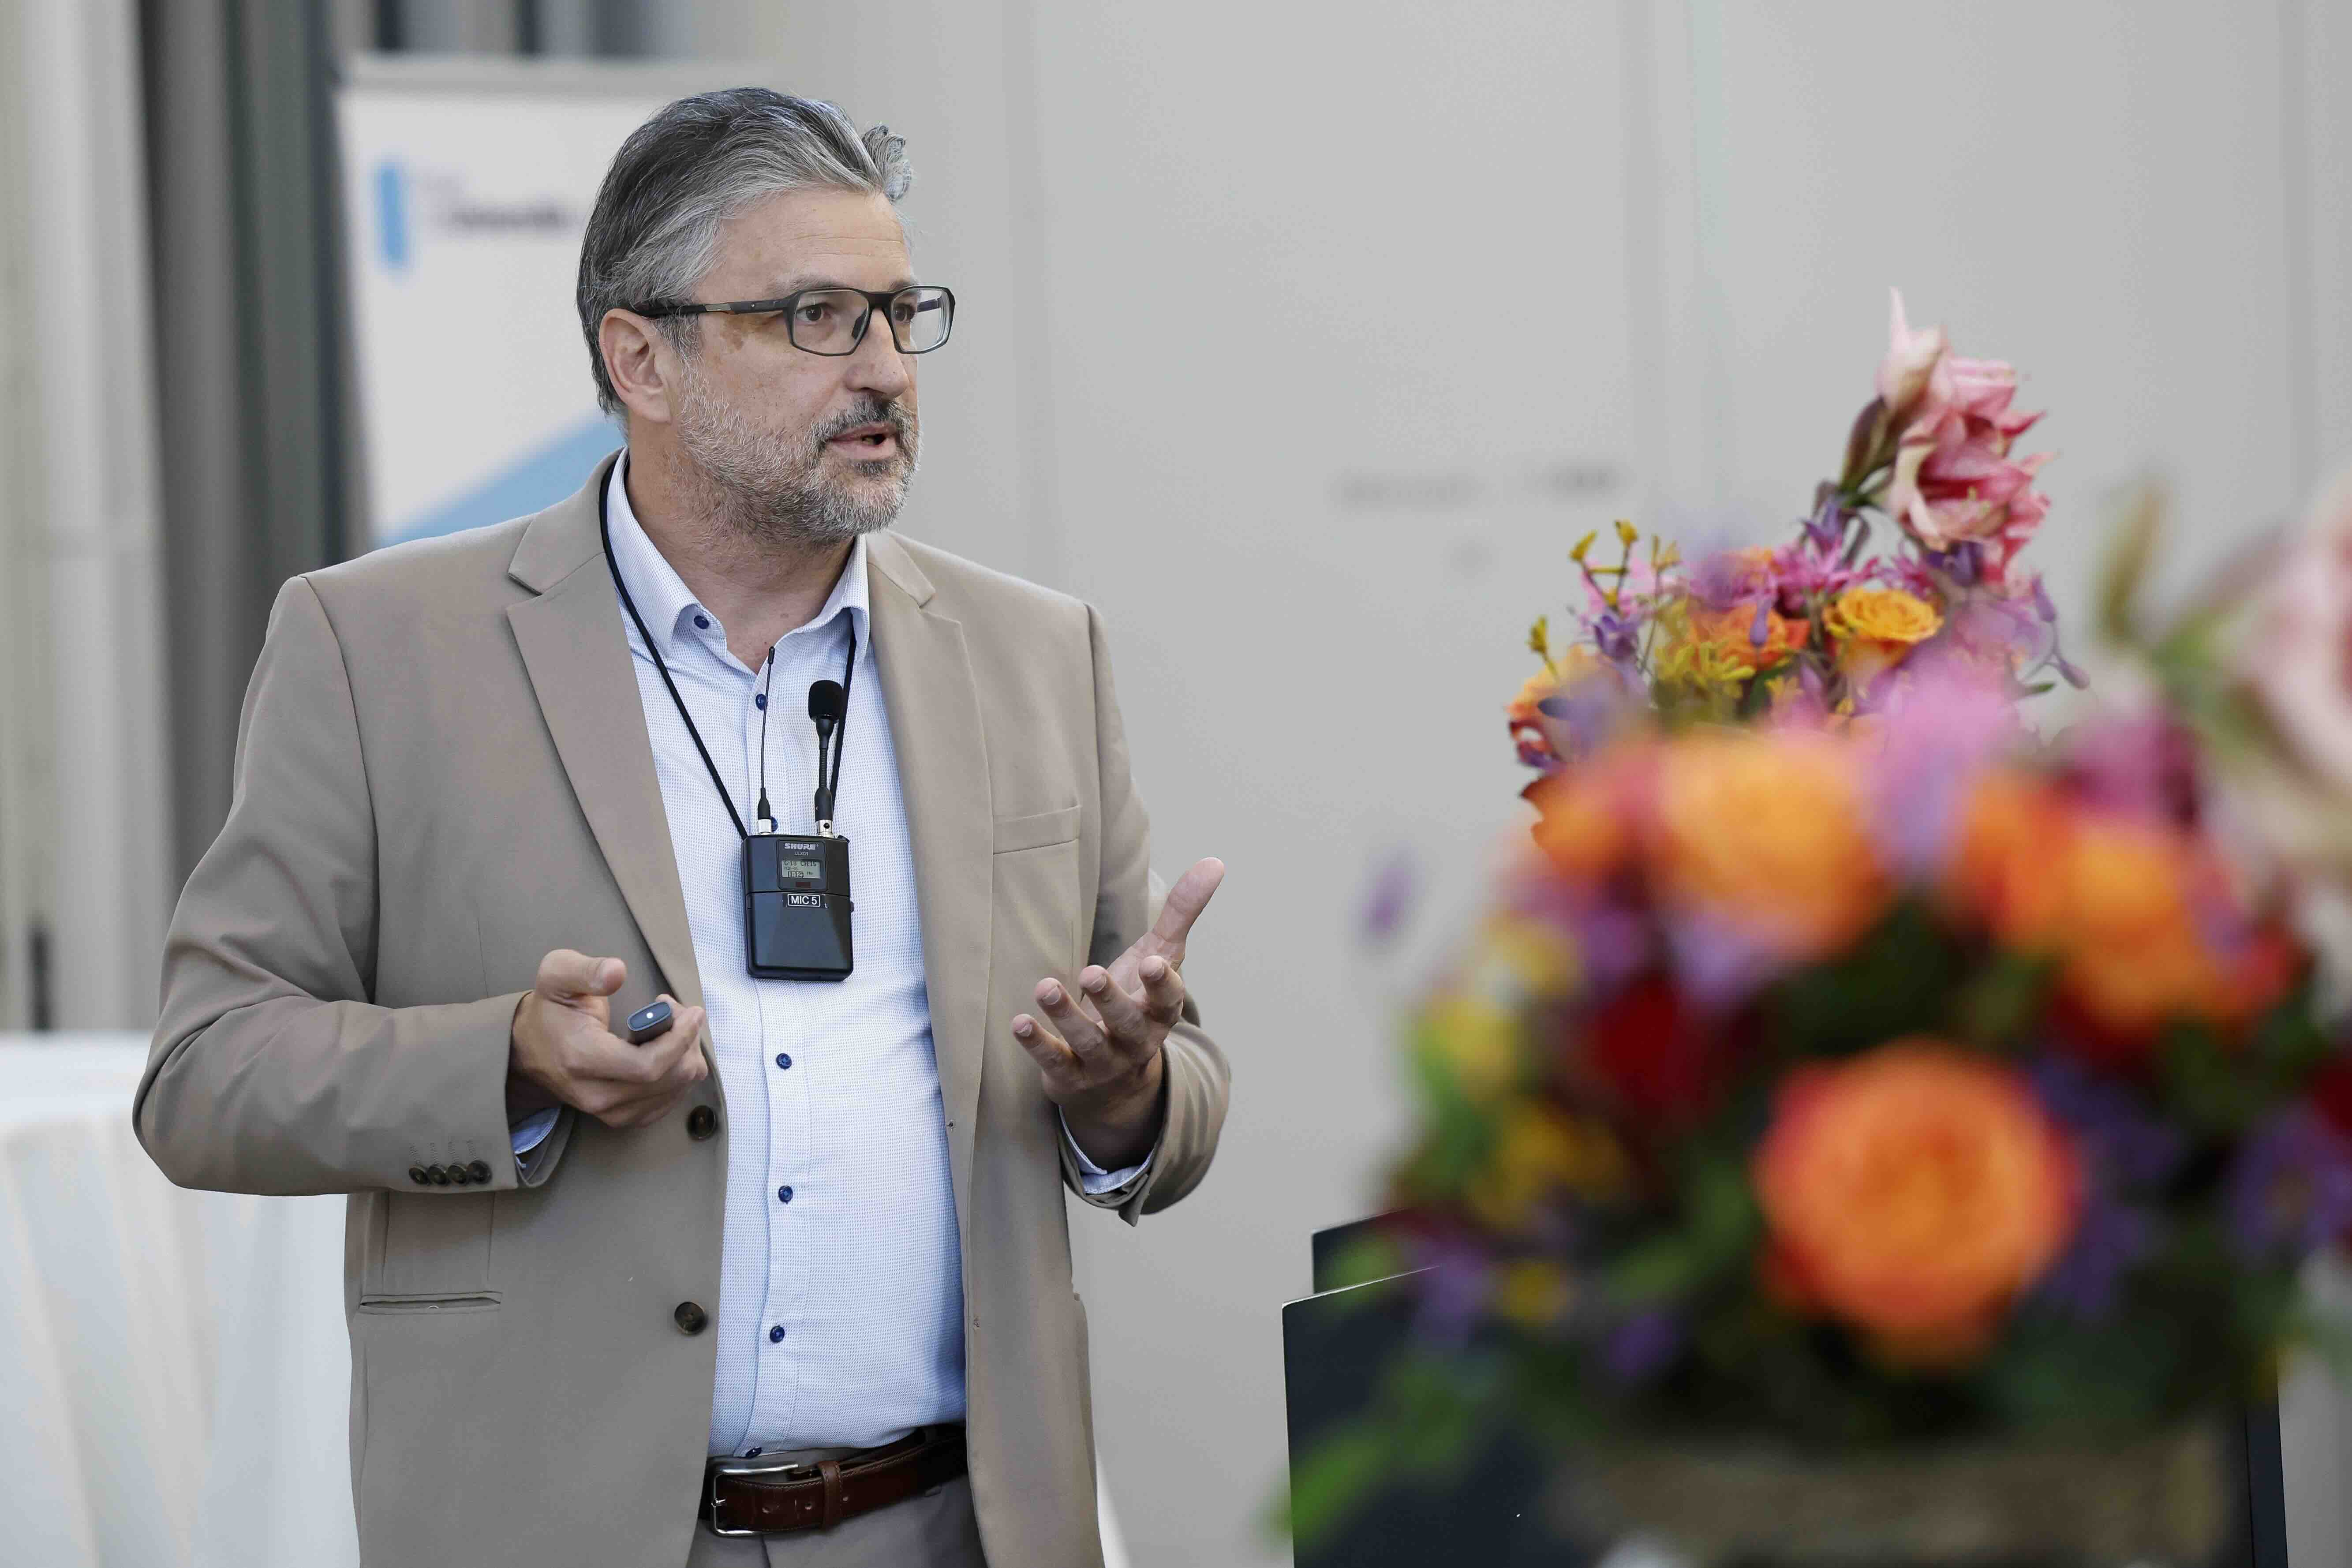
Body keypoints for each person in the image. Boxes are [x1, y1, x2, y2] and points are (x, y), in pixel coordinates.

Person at [135, 87, 1228, 1568]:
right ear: (638, 356)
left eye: (905, 316)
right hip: (560, 1530)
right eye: (819, 317)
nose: (887, 372)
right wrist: (503, 1058)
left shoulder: (1038, 653)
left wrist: (1128, 1091)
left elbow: (1167, 1091)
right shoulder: (378, 647)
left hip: (953, 1529)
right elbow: (206, 1075)